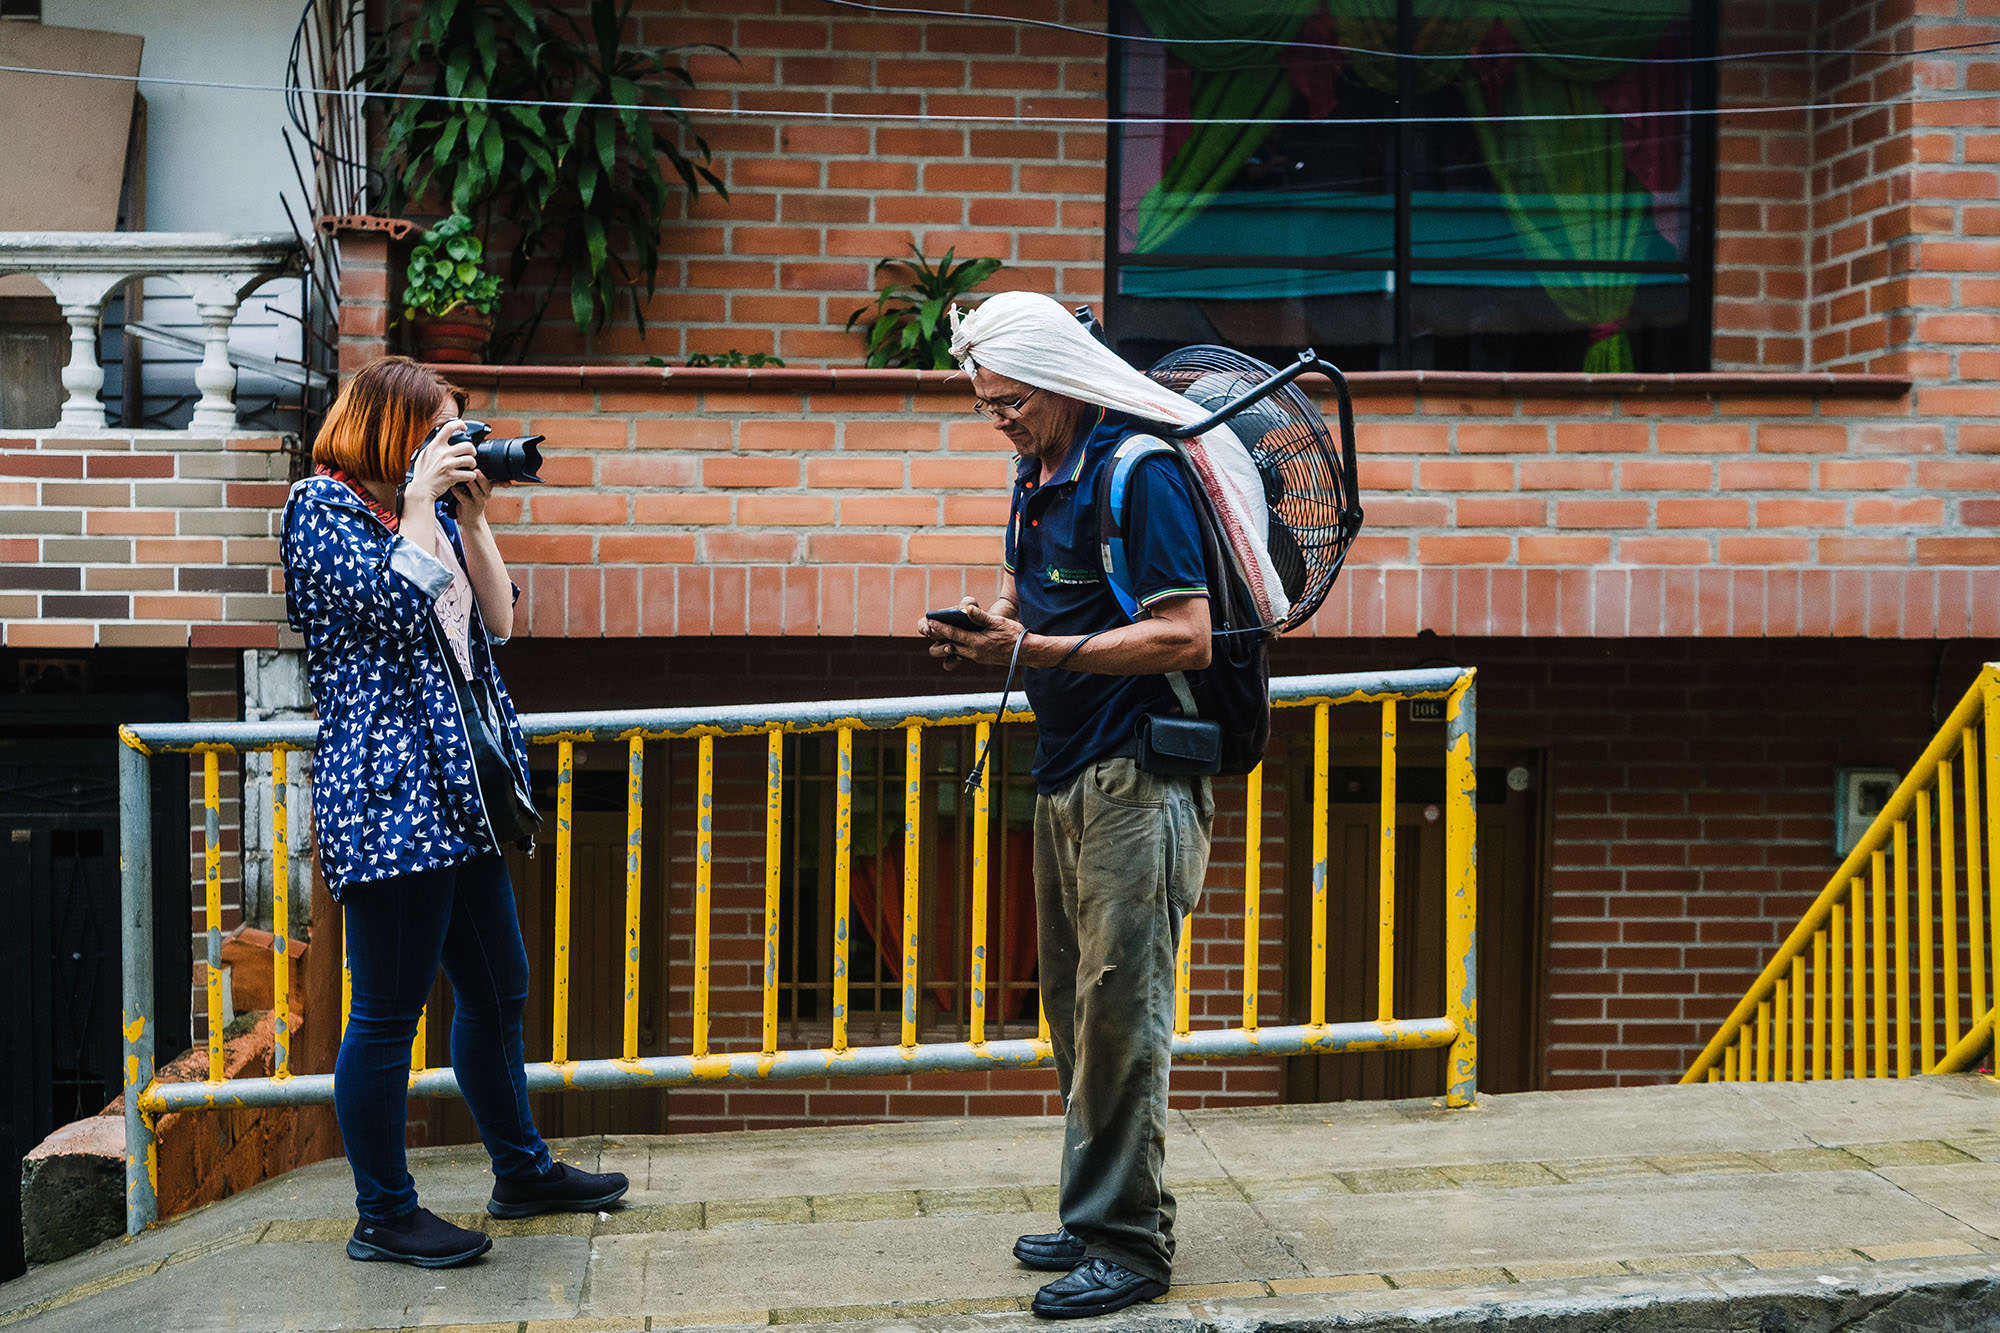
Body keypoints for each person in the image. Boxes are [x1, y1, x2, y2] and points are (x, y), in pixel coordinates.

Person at [281, 356, 627, 1269]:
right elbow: (401, 606)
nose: (454, 444)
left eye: (457, 429)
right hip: (390, 790)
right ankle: (384, 1214)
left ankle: (520, 1170)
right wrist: (421, 508)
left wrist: (468, 517)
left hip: (459, 790)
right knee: (388, 1012)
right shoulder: (318, 509)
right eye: (437, 428)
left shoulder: (422, 513)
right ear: (387, 428)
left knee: (499, 985)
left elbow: (500, 619)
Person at [918, 293, 1218, 1319]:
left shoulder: (1141, 472)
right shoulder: (1034, 472)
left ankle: (1127, 1243)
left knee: (1121, 1015)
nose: (994, 420)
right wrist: (986, 622)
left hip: (1138, 775)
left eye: (1006, 403)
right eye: (983, 404)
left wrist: (1029, 652)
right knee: (1072, 1014)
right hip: (1062, 770)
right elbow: (1023, 589)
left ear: (1055, 381)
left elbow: (1186, 635)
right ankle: (1092, 1207)